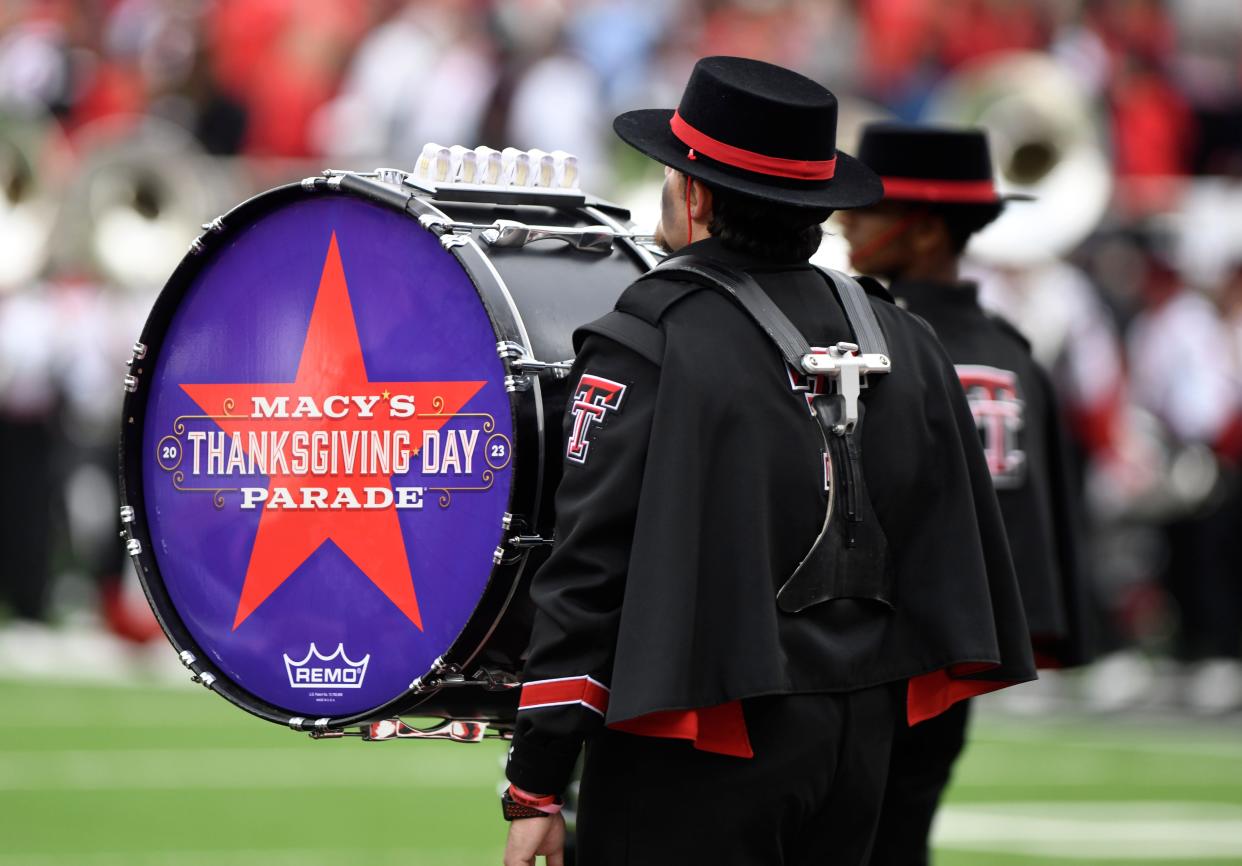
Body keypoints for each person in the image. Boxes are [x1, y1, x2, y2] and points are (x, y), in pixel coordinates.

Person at [501, 58, 1036, 866]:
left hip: (699, 741)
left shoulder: (651, 336)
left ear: (699, 197)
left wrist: (536, 781)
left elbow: (587, 572)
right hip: (860, 744)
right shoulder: (903, 336)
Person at [838, 122, 1096, 866]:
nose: (848, 219)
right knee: (903, 835)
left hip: (869, 646)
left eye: (871, 208)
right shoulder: (1013, 350)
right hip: (957, 650)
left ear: (922, 231)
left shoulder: (876, 341)